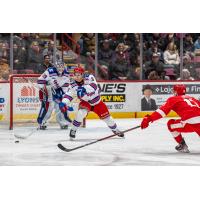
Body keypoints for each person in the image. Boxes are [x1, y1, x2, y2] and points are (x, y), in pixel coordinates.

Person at [61, 66, 124, 140]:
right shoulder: (72, 84)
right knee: (80, 113)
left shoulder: (89, 77)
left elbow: (94, 86)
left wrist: (84, 88)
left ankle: (115, 130)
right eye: (75, 75)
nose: (77, 77)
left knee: (108, 119)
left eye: (79, 75)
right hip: (86, 103)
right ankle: (73, 130)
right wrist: (64, 103)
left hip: (97, 102)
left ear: (82, 74)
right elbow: (69, 95)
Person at [140, 84, 200, 153]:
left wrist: (149, 119)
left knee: (170, 124)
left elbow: (161, 112)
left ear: (176, 92)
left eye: (174, 91)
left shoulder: (173, 99)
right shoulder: (193, 98)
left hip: (189, 122)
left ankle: (182, 145)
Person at [37, 61, 72, 130]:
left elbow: (66, 86)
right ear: (55, 67)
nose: (60, 69)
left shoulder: (67, 74)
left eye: (62, 67)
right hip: (48, 89)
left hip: (58, 91)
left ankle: (63, 123)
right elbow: (40, 80)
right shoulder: (50, 71)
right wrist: (44, 87)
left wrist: (63, 94)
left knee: (61, 106)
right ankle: (43, 123)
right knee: (49, 106)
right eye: (59, 67)